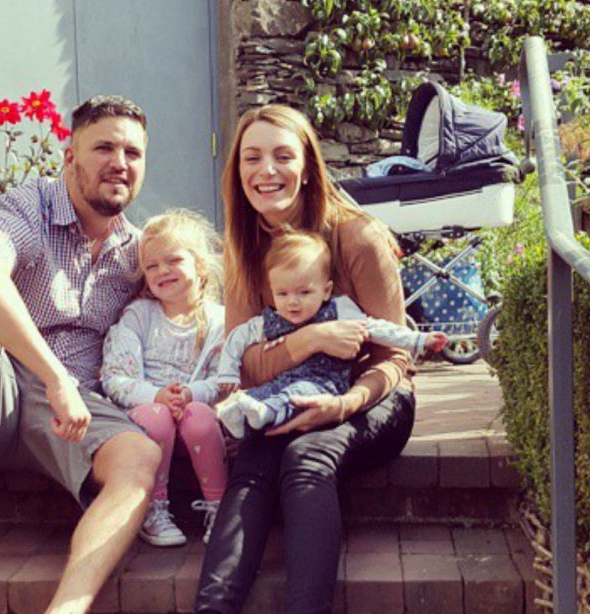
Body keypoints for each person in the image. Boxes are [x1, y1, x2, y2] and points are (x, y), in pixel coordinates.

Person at [0, 95, 161, 614]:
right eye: (104, 147)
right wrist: (55, 376)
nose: (120, 162)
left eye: (133, 153)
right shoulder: (28, 208)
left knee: (140, 457)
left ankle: (67, 608)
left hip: (68, 415)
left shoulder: (136, 251)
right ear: (70, 157)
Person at [194, 104, 419, 614]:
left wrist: (344, 406)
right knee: (255, 461)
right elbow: (247, 365)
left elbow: (395, 358)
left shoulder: (357, 237)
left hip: (371, 397)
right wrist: (312, 340)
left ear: (308, 167)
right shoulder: (244, 248)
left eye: (281, 156)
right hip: (285, 396)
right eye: (251, 158)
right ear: (237, 172)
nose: (265, 170)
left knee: (305, 458)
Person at [216, 230, 447, 437]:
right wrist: (228, 373)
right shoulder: (269, 320)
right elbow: (237, 337)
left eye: (304, 292)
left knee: (297, 394)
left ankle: (265, 413)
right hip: (282, 379)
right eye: (282, 294)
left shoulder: (339, 312)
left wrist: (419, 340)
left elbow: (379, 329)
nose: (292, 302)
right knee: (261, 393)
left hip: (323, 383)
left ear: (326, 291)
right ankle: (240, 419)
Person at [100, 209, 228, 546]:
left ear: (199, 266)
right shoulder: (139, 317)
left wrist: (191, 393)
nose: (162, 271)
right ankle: (153, 508)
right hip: (148, 417)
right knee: (156, 418)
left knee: (199, 416)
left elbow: (225, 378)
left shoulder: (218, 321)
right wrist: (156, 396)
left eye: (173, 260)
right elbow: (115, 378)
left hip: (195, 415)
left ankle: (220, 507)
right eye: (152, 266)